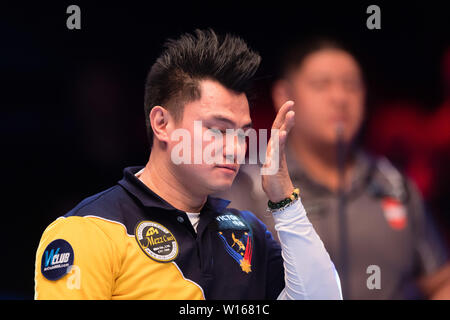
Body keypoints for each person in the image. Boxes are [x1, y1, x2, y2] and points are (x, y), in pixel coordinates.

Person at [34, 29, 342, 300]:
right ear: (162, 123)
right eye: (218, 129)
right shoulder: (89, 230)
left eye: (242, 133)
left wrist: (284, 201)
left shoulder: (247, 233)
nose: (235, 147)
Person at [217, 38, 450, 299]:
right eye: (321, 84)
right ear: (284, 95)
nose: (340, 98)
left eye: (351, 85)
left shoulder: (396, 185)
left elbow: (440, 281)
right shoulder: (247, 187)